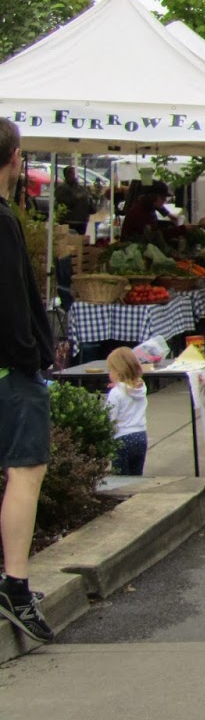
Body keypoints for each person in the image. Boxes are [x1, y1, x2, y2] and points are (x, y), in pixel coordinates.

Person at [0, 121, 57, 643]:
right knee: (25, 469)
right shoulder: (3, 220)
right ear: (15, 158)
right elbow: (13, 302)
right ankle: (15, 583)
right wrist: (31, 355)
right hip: (10, 371)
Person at [104, 347, 150, 476]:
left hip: (122, 438)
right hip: (141, 436)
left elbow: (109, 418)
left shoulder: (116, 393)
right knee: (136, 474)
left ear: (118, 373)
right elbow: (128, 386)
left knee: (121, 477)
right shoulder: (141, 387)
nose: (109, 374)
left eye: (111, 370)